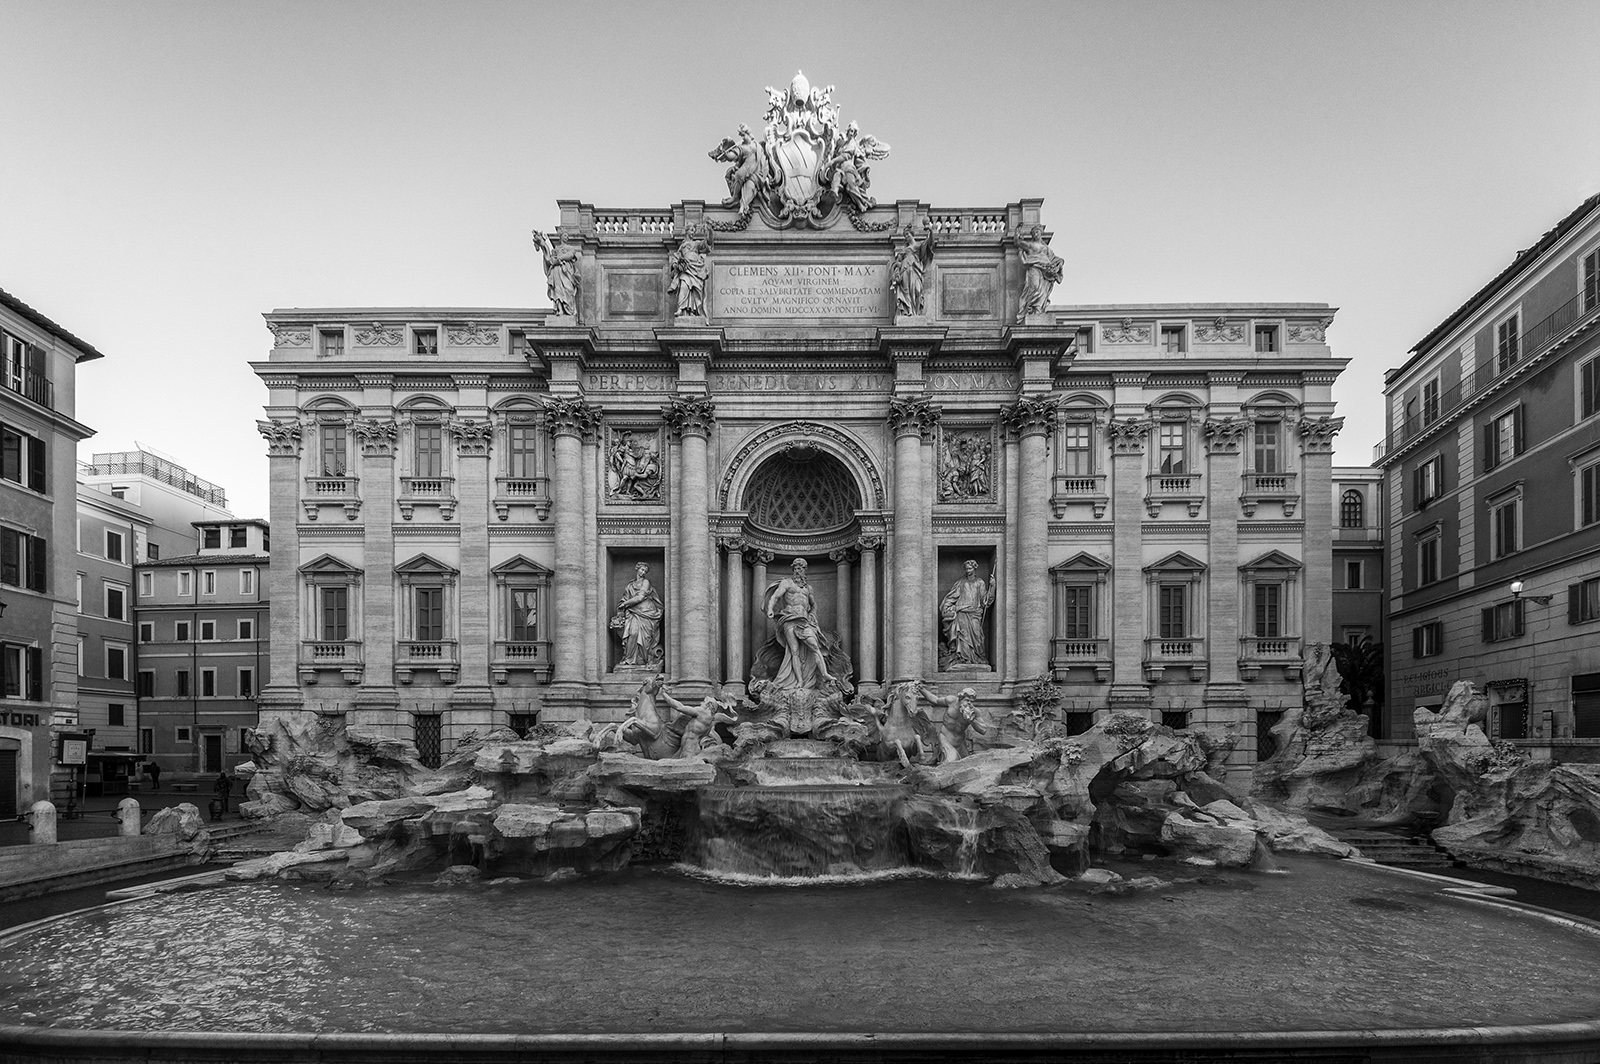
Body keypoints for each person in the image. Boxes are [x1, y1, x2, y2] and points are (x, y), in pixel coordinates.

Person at [763, 558, 836, 692]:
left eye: (801, 568)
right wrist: (770, 609)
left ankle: (825, 674)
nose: (798, 571)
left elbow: (813, 605)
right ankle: (799, 680)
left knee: (815, 646)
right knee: (794, 651)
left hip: (804, 621)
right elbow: (775, 597)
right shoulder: (787, 583)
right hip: (789, 619)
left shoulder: (808, 588)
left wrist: (813, 615)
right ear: (793, 569)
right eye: (796, 568)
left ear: (805, 570)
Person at [940, 559, 996, 666]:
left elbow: (985, 600)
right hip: (962, 613)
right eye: (966, 569)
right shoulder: (961, 583)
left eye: (970, 568)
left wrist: (992, 586)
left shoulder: (980, 583)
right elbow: (952, 597)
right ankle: (963, 659)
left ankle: (977, 658)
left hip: (975, 613)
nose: (968, 570)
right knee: (962, 637)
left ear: (974, 569)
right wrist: (947, 607)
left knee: (977, 636)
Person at [610, 562, 664, 667]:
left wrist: (625, 604)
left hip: (647, 613)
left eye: (645, 571)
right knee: (633, 633)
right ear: (637, 569)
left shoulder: (646, 582)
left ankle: (642, 660)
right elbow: (624, 599)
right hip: (633, 613)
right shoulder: (630, 585)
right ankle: (629, 659)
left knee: (645, 639)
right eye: (642, 569)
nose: (643, 572)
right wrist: (623, 606)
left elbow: (640, 597)